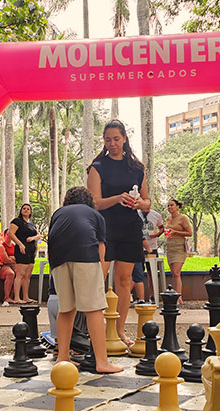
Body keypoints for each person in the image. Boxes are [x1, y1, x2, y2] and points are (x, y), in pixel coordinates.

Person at [87, 120, 150, 345]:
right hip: (104, 228)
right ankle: (92, 333)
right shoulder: (97, 167)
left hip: (130, 228)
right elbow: (94, 203)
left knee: (124, 281)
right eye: (107, 140)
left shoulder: (137, 168)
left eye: (116, 139)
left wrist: (140, 204)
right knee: (98, 280)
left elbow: (148, 201)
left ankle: (119, 331)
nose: (112, 143)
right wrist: (117, 198)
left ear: (124, 138)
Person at [48, 186, 123, 374]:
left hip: (57, 259)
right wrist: (101, 277)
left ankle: (62, 358)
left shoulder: (58, 213)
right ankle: (102, 362)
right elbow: (101, 248)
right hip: (85, 255)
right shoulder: (95, 215)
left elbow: (52, 239)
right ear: (89, 201)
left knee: (66, 308)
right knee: (94, 309)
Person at [8, 203, 39, 304]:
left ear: (30, 212)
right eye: (24, 208)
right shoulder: (17, 221)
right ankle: (17, 298)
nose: (25, 210)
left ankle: (26, 297)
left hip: (31, 251)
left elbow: (38, 235)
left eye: (28, 209)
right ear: (21, 211)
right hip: (22, 250)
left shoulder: (32, 224)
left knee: (28, 275)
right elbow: (10, 233)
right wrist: (20, 244)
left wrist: (33, 238)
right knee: (20, 274)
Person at [164, 199, 193, 303]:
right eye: (168, 205)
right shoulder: (168, 219)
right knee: (173, 273)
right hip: (170, 247)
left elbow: (189, 233)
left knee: (176, 272)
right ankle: (175, 295)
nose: (169, 207)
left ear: (177, 206)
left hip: (179, 247)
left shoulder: (183, 218)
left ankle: (178, 296)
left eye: (171, 205)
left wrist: (175, 232)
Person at [0, 229, 16, 306]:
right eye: (8, 235)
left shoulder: (14, 246)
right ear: (4, 236)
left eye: (11, 235)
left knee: (20, 273)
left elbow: (18, 258)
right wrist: (12, 259)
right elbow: (5, 260)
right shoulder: (1, 247)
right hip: (1, 267)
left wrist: (11, 258)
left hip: (11, 265)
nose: (9, 236)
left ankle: (13, 296)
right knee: (10, 274)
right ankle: (6, 297)